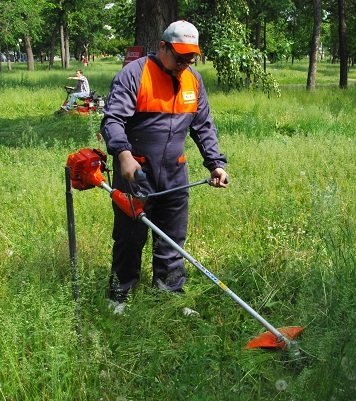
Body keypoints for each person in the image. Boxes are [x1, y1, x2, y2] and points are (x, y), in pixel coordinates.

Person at [100, 20, 229, 311]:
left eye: (190, 57)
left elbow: (203, 126)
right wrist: (123, 156)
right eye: (179, 56)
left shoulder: (193, 80)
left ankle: (169, 295)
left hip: (175, 174)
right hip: (136, 174)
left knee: (172, 238)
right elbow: (113, 120)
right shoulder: (134, 74)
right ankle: (120, 294)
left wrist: (215, 164)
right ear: (162, 47)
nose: (185, 63)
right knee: (129, 239)